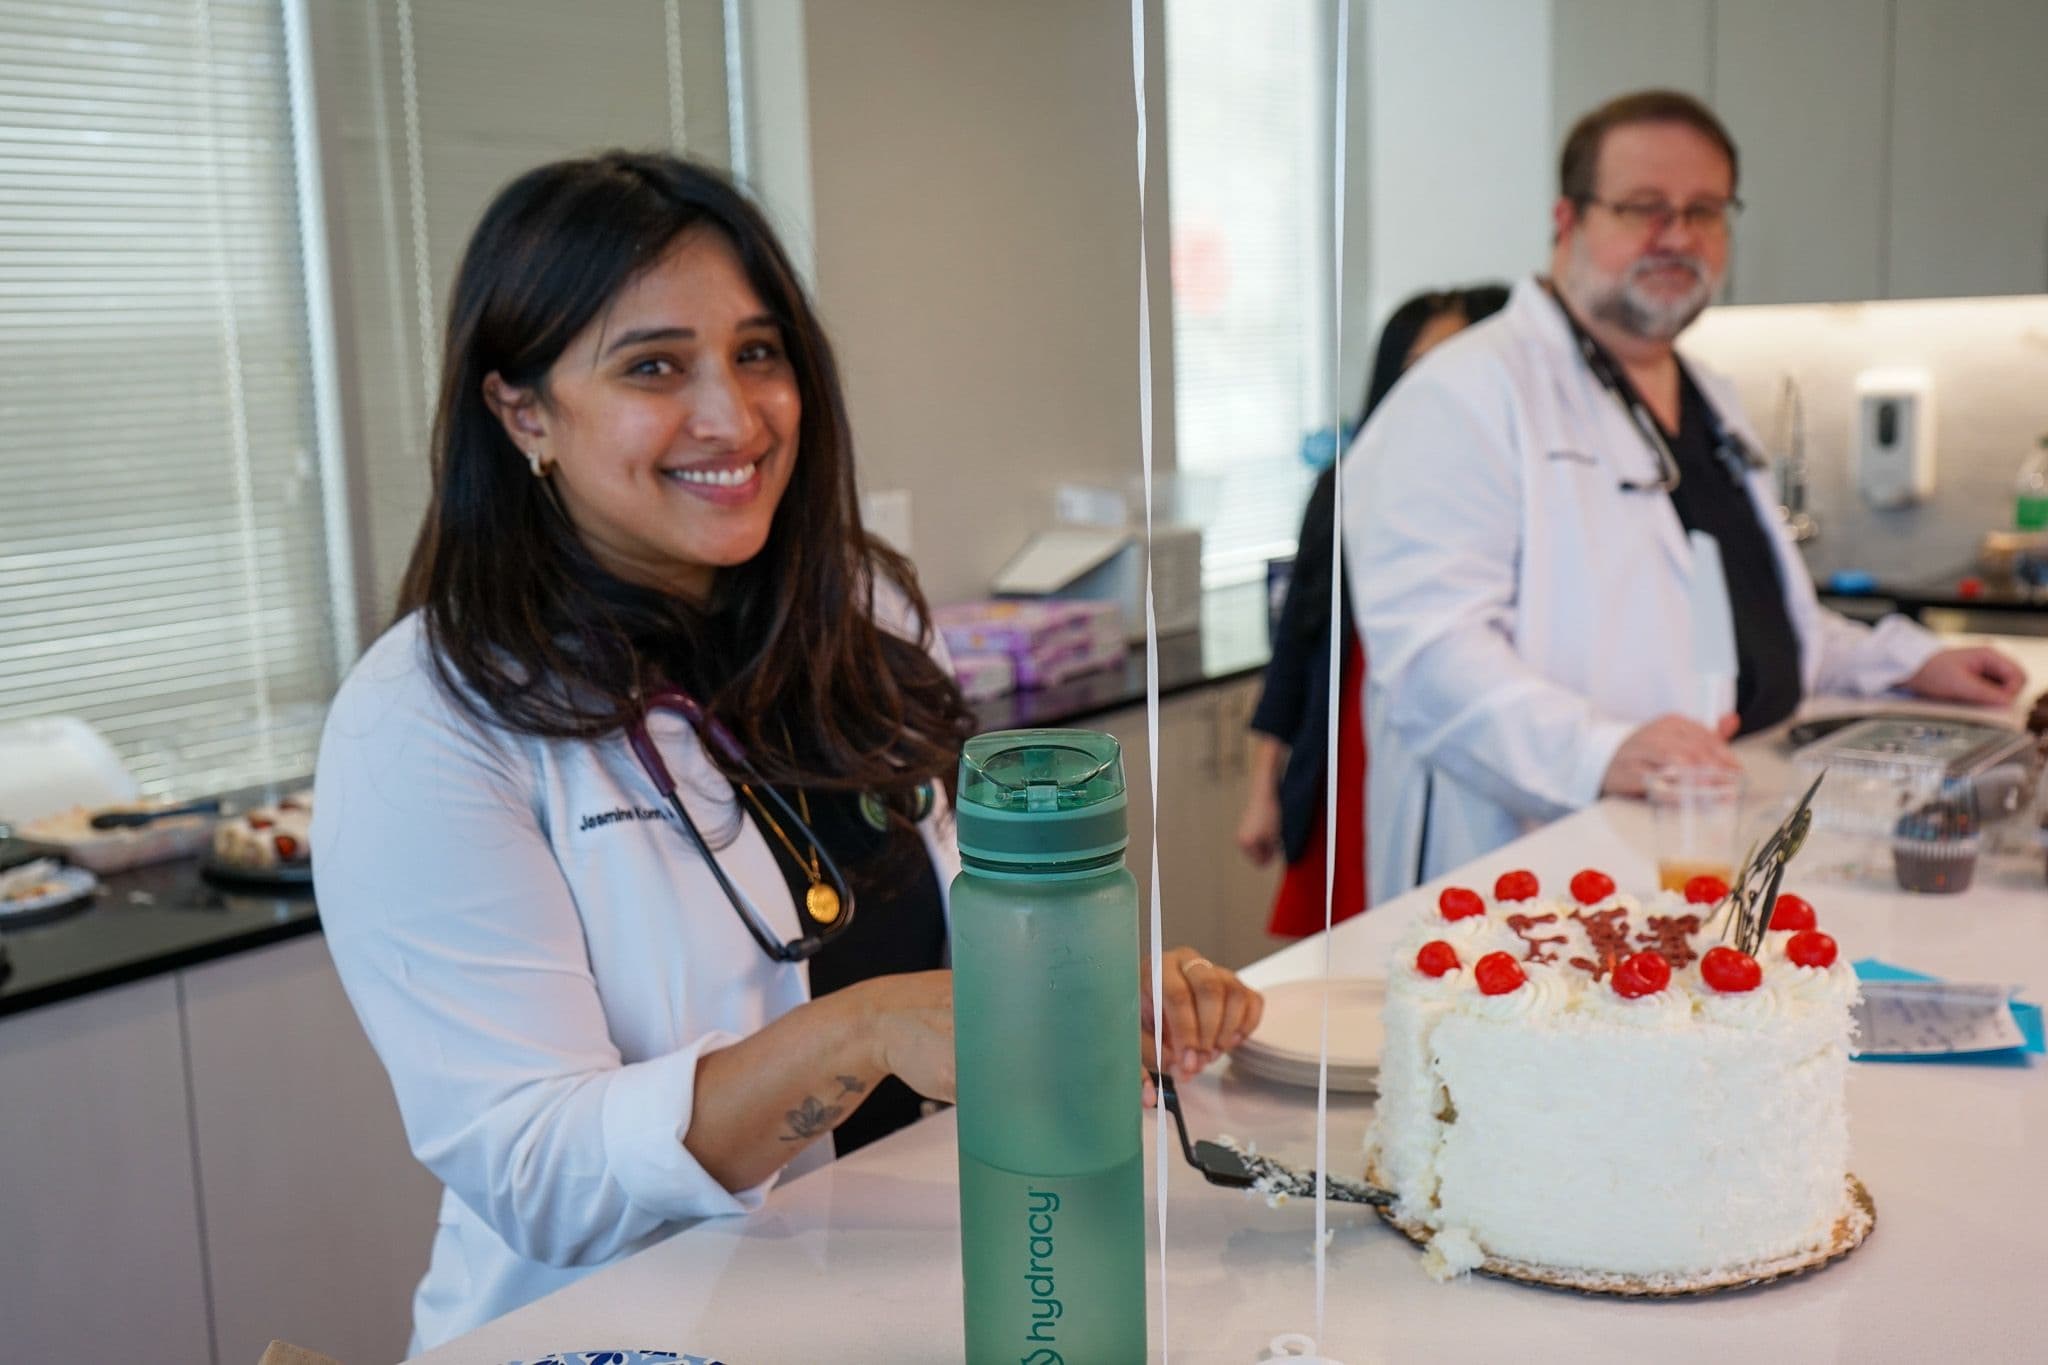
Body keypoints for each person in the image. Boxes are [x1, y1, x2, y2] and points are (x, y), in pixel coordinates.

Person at [311, 152, 1263, 1350]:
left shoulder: (856, 611)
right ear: (522, 411)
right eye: (654, 365)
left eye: (757, 353)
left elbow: (942, 934)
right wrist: (859, 1032)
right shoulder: (424, 720)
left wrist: (1062, 989)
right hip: (624, 1329)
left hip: (902, 1278)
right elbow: (535, 1168)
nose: (735, 416)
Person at [1344, 90, 2024, 903]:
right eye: (1643, 207)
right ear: (1567, 219)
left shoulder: (1708, 398)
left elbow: (1724, 622)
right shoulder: (1462, 395)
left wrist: (1908, 660)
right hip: (1521, 866)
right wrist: (1602, 749)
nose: (1678, 235)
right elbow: (1429, 656)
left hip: (1696, 836)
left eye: (1704, 209)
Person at [1236, 283, 1508, 935]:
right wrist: (1261, 793)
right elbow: (1294, 658)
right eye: (1423, 366)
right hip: (1343, 751)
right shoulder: (1344, 486)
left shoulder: (1502, 494)